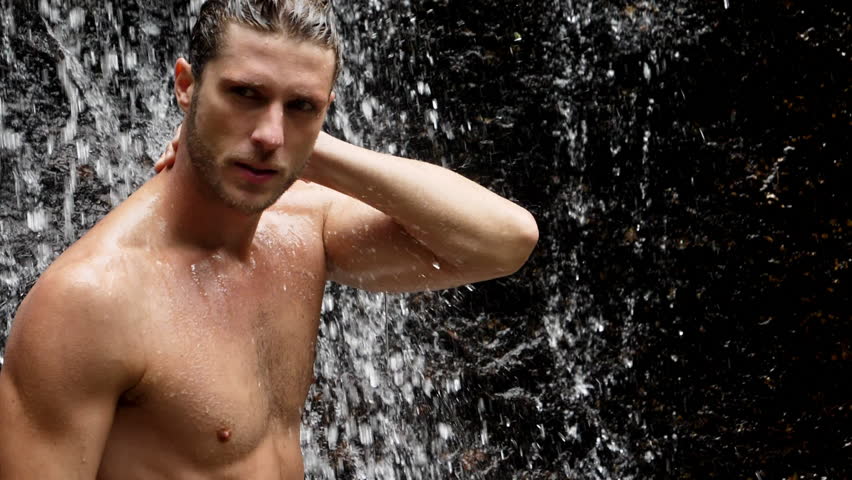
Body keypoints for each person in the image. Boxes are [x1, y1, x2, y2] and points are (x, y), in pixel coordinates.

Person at [0, 1, 538, 478]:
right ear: (186, 86)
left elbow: (505, 241)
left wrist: (312, 153)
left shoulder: (302, 230)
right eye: (244, 94)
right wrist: (292, 136)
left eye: (300, 106)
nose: (268, 135)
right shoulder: (89, 302)